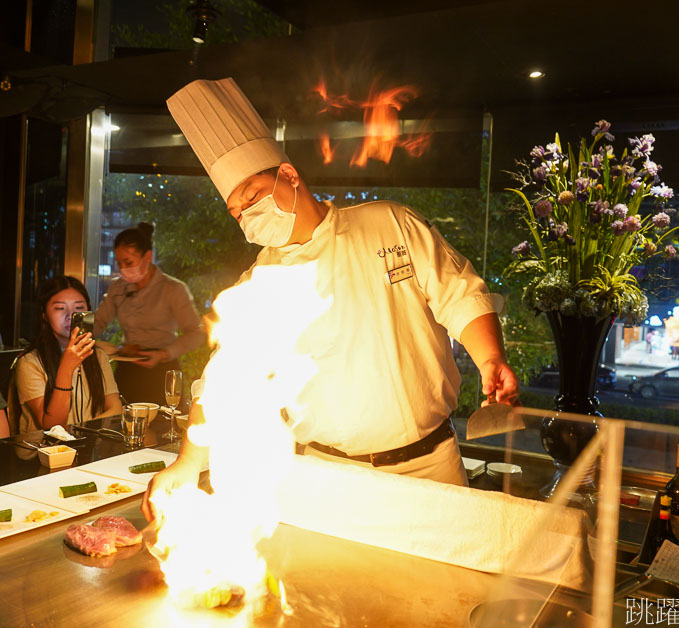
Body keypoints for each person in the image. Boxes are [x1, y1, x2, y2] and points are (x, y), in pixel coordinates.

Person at [142, 78, 519, 522]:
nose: (246, 215)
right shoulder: (262, 281)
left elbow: (460, 294)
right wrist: (188, 462)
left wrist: (490, 358)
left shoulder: (388, 224)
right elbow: (225, 380)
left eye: (250, 195)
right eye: (236, 211)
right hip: (326, 476)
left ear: (288, 175)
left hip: (429, 468)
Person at [93, 222, 203, 406]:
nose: (122, 269)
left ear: (148, 257)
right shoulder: (118, 287)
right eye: (119, 263)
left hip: (162, 370)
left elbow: (196, 333)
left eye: (128, 263)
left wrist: (163, 354)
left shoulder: (173, 289)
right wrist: (77, 336)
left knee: (162, 428)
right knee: (122, 426)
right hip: (127, 369)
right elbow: (99, 321)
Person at [12, 276, 120, 433]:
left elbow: (115, 406)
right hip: (44, 454)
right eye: (60, 308)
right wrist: (66, 368)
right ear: (44, 315)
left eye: (79, 308)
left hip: (87, 450)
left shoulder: (98, 356)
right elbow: (52, 426)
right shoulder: (29, 362)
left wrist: (85, 434)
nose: (70, 315)